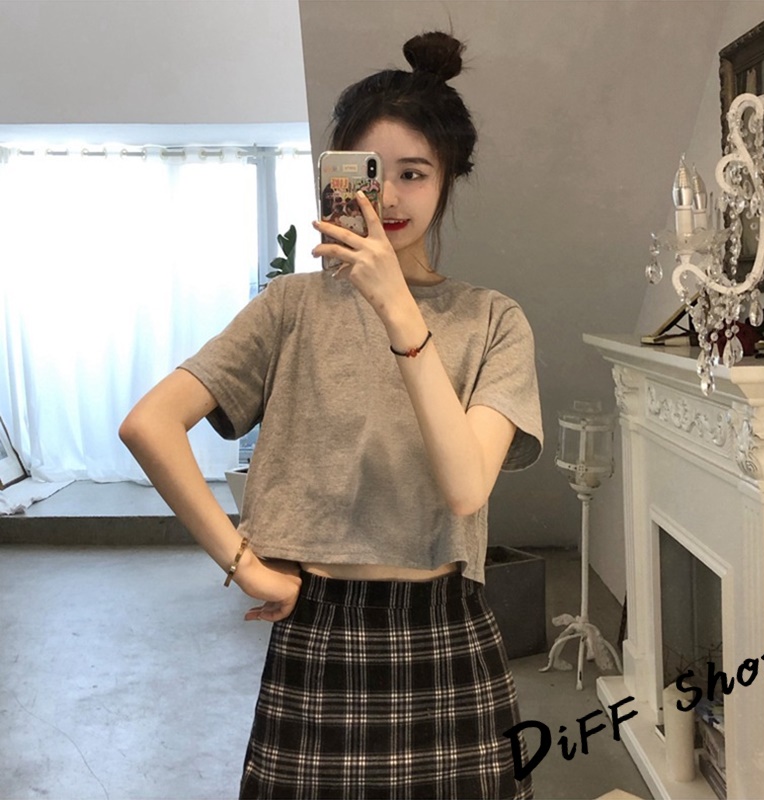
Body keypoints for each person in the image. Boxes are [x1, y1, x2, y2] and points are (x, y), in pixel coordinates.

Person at [120, 30, 542, 800]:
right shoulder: (290, 307)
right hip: (318, 628)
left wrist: (396, 308)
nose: (391, 199)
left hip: (446, 630)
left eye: (414, 173)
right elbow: (149, 424)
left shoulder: (493, 321)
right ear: (340, 176)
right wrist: (243, 565)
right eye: (372, 173)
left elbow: (464, 489)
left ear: (449, 178)